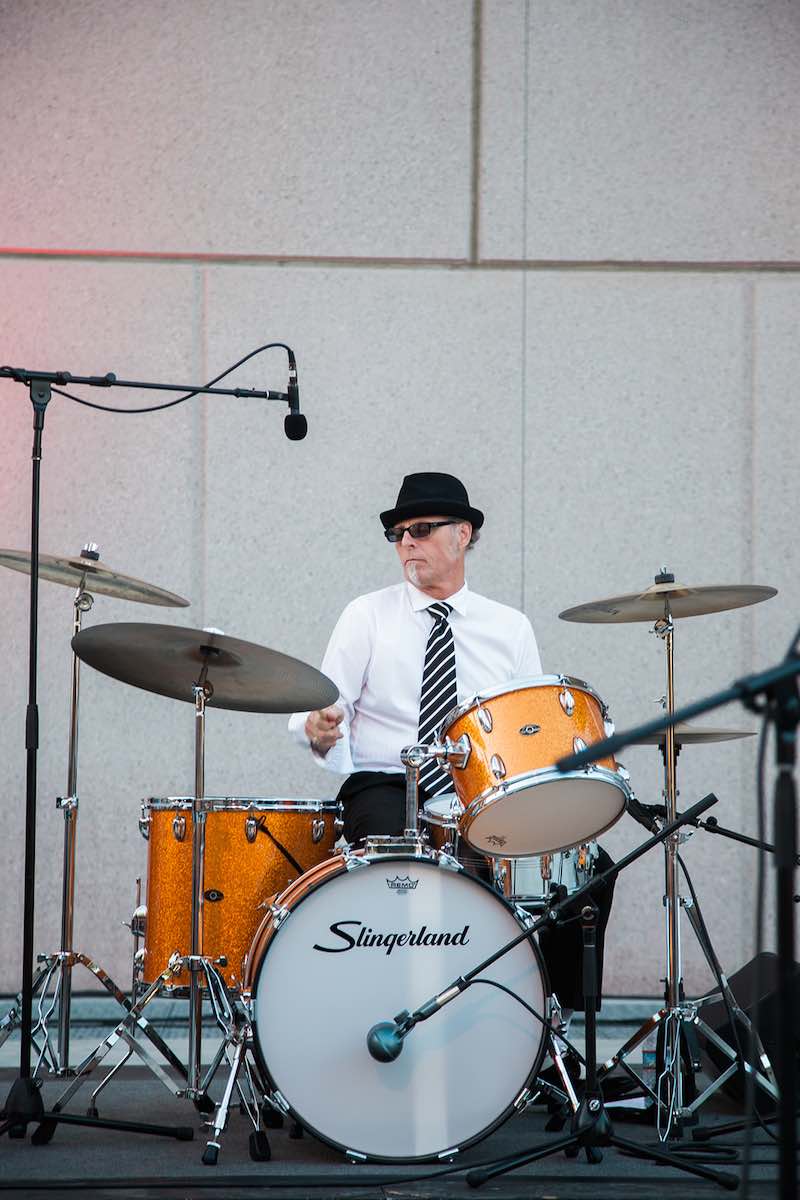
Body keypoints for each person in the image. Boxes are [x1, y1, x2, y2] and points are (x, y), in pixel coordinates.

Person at [288, 471, 614, 1025]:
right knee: (393, 855)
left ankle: (547, 1029)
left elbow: (530, 732)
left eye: (419, 529)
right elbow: (320, 704)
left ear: (462, 535)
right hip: (387, 783)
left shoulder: (508, 627)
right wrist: (316, 728)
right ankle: (388, 1009)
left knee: (586, 869)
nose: (405, 542)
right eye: (397, 533)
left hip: (481, 793)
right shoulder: (367, 615)